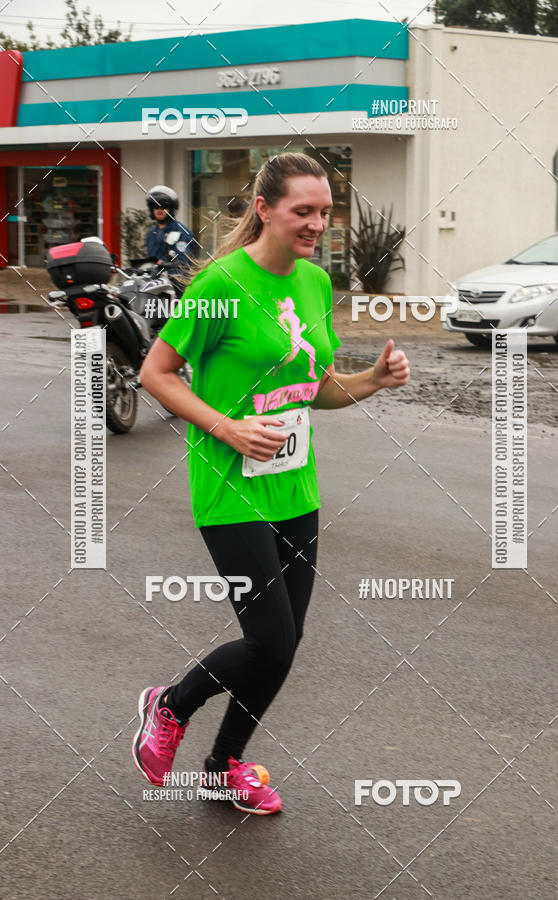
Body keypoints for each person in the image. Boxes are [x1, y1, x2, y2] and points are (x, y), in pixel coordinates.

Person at [131, 153, 411, 815]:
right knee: (269, 639)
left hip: (295, 487)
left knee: (285, 641)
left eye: (323, 211)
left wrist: (371, 379)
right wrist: (227, 429)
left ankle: (223, 768)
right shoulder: (222, 284)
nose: (316, 223)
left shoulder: (314, 283)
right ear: (264, 208)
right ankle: (169, 706)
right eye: (302, 211)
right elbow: (157, 374)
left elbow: (313, 389)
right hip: (230, 487)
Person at [145, 185, 195, 293]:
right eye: (155, 206)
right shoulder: (152, 232)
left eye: (163, 206)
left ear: (171, 209)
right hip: (153, 286)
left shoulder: (181, 232)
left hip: (174, 289)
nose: (159, 210)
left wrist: (166, 267)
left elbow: (183, 264)